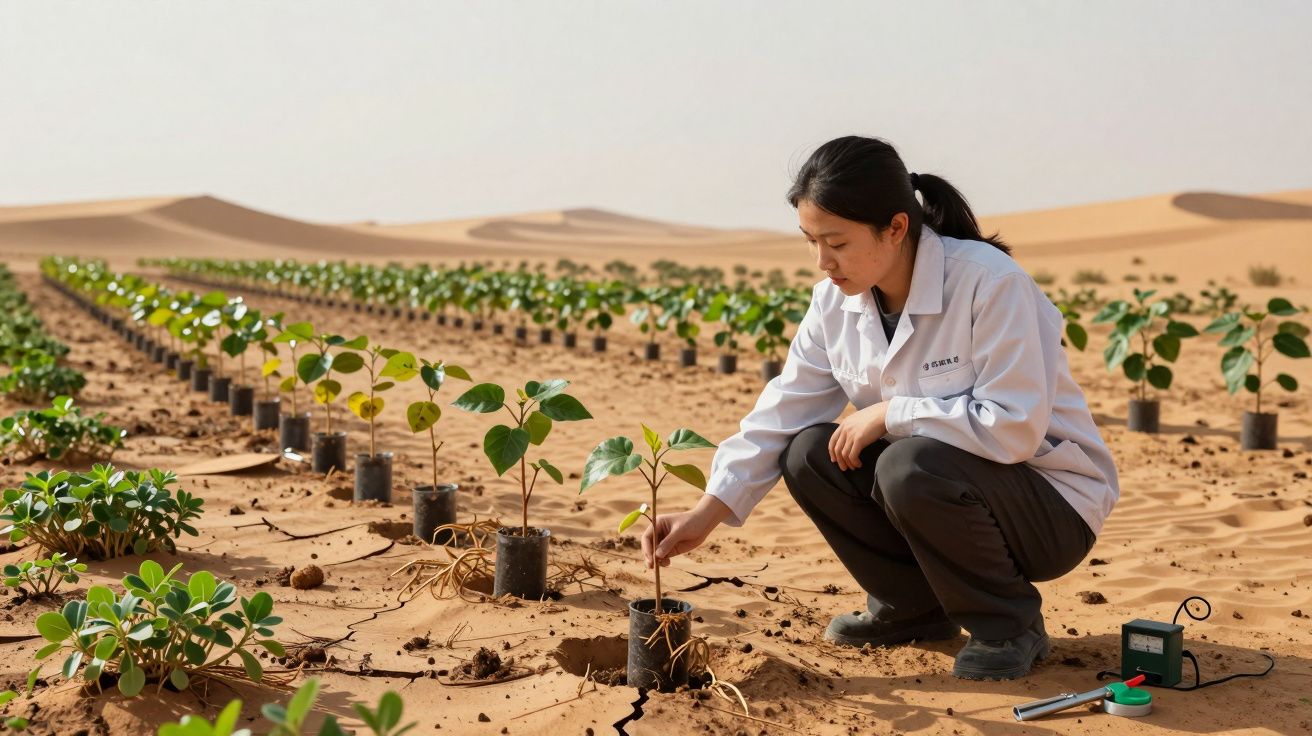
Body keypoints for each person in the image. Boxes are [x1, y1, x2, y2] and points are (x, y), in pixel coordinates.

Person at [641, 135, 1119, 681]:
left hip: (1048, 506)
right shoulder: (834, 302)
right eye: (811, 241)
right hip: (942, 491)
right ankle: (912, 608)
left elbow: (1014, 429)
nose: (823, 262)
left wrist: (892, 413)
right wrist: (709, 509)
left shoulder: (989, 283)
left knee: (907, 462)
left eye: (837, 242)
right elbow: (784, 409)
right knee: (807, 453)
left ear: (895, 228)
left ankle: (1008, 625)